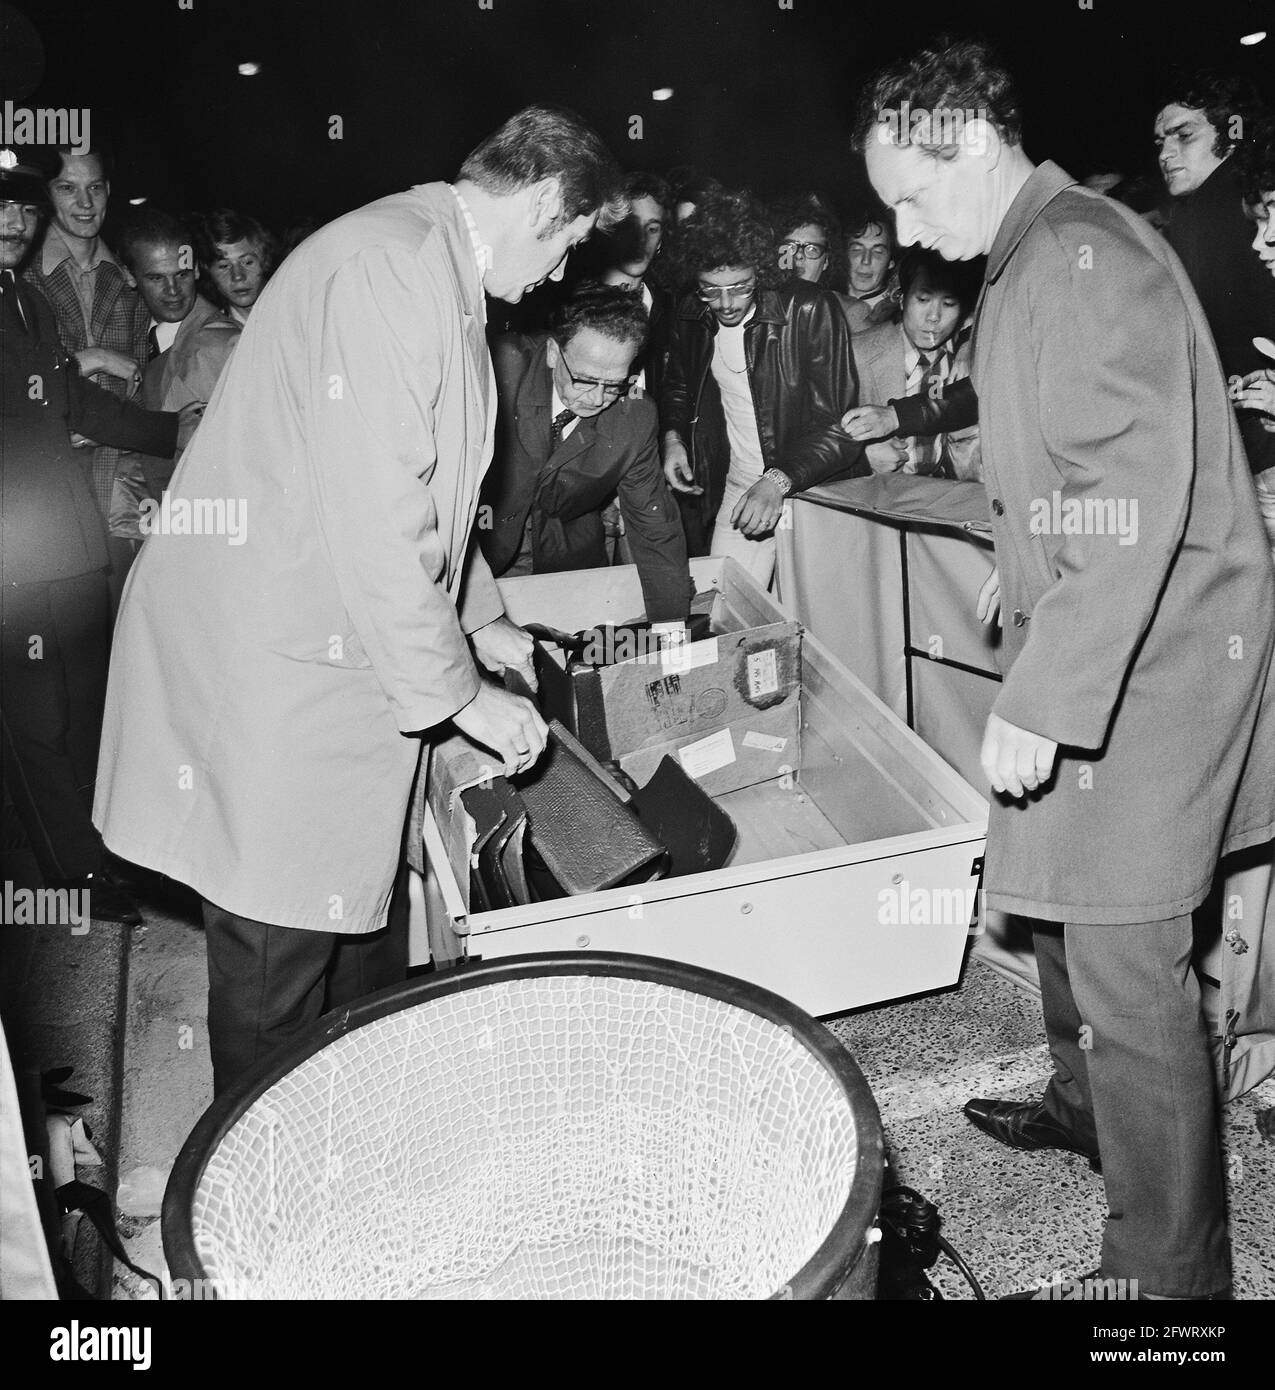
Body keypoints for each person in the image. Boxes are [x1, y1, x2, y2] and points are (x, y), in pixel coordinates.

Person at [857, 38, 1275, 1300]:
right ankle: (1086, 1108)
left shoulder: (1079, 259)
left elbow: (1134, 493)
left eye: (910, 195)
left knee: (1130, 969)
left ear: (973, 140)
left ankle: (1170, 1286)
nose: (903, 227)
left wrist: (1044, 692)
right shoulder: (1043, 248)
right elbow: (1073, 464)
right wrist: (1025, 554)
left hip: (1147, 668)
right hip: (1113, 630)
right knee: (1063, 914)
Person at [93, 105, 625, 1094]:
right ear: (549, 197)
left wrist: (483, 615)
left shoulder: (430, 266)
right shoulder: (391, 268)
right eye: (574, 242)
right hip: (271, 667)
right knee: (275, 962)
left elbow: (430, 493)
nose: (563, 274)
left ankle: (338, 1140)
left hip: (319, 642)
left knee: (351, 930)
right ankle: (242, 1217)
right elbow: (378, 515)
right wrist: (464, 691)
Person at [0, 151, 200, 924]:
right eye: (1, 208)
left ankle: (101, 853)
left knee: (84, 710)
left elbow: (76, 404)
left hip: (72, 542)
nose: (14, 223)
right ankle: (75, 880)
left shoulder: (27, 301)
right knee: (36, 728)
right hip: (13, 560)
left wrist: (170, 431)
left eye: (23, 208)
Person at [660, 187, 864, 583]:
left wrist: (777, 480)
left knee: (812, 619)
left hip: (810, 488)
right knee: (725, 608)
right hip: (742, 484)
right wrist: (673, 438)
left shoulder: (809, 308)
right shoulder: (692, 312)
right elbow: (679, 385)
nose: (725, 304)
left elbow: (841, 427)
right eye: (711, 289)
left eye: (740, 286)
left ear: (761, 270)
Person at [479, 283, 691, 621]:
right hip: (480, 554)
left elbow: (655, 529)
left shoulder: (634, 416)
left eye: (613, 385)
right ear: (552, 352)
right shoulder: (497, 370)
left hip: (566, 557)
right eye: (583, 380)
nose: (595, 399)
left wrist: (674, 631)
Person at [21, 146, 150, 610]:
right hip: (44, 487)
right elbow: (18, 384)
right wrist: (92, 358)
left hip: (117, 484)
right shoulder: (22, 278)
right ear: (47, 196)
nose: (84, 203)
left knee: (123, 625)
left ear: (109, 192)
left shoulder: (130, 280)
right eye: (67, 189)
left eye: (94, 188)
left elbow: (140, 388)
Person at [1155, 69, 1275, 481]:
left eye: (1183, 135)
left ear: (1232, 134)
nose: (1165, 153)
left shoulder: (1202, 214)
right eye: (1162, 142)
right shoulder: (1248, 194)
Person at [113, 208, 241, 523]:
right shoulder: (132, 337)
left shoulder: (222, 345)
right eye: (156, 277)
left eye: (182, 274)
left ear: (197, 268)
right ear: (129, 276)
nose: (173, 291)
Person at [847, 248, 982, 480]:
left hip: (942, 494)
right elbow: (810, 432)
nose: (934, 317)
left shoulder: (966, 357)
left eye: (948, 304)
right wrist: (861, 457)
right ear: (901, 299)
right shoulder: (856, 353)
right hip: (875, 498)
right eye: (923, 300)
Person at [192, 208, 278, 324]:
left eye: (247, 262)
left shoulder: (297, 310)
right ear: (208, 270)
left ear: (264, 260)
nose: (237, 276)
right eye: (224, 266)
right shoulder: (214, 334)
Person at [841, 202, 901, 332]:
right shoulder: (827, 301)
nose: (866, 260)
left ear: (891, 261)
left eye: (878, 252)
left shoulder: (900, 316)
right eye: (857, 249)